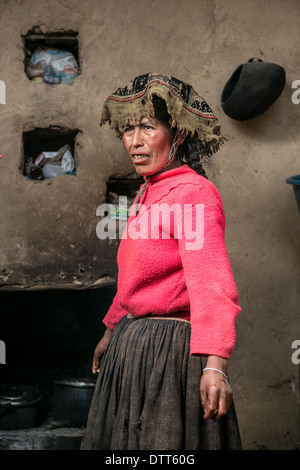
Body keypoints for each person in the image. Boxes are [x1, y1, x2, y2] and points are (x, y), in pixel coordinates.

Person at [81, 73, 242, 450]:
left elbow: (211, 285)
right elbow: (138, 278)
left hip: (169, 355)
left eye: (147, 129)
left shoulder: (192, 195)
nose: (134, 142)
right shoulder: (148, 192)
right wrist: (110, 331)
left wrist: (215, 366)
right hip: (131, 347)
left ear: (179, 135)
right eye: (127, 130)